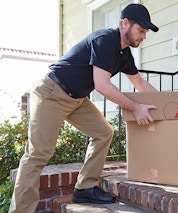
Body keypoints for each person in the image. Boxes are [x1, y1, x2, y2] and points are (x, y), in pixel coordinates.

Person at [9, 3, 159, 213]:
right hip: (52, 93)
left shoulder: (124, 55)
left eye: (145, 32)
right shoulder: (105, 40)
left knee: (104, 132)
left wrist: (167, 105)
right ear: (125, 23)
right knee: (38, 153)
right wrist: (135, 107)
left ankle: (85, 187)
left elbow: (140, 84)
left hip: (77, 99)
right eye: (141, 30)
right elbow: (102, 85)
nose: (144, 36)